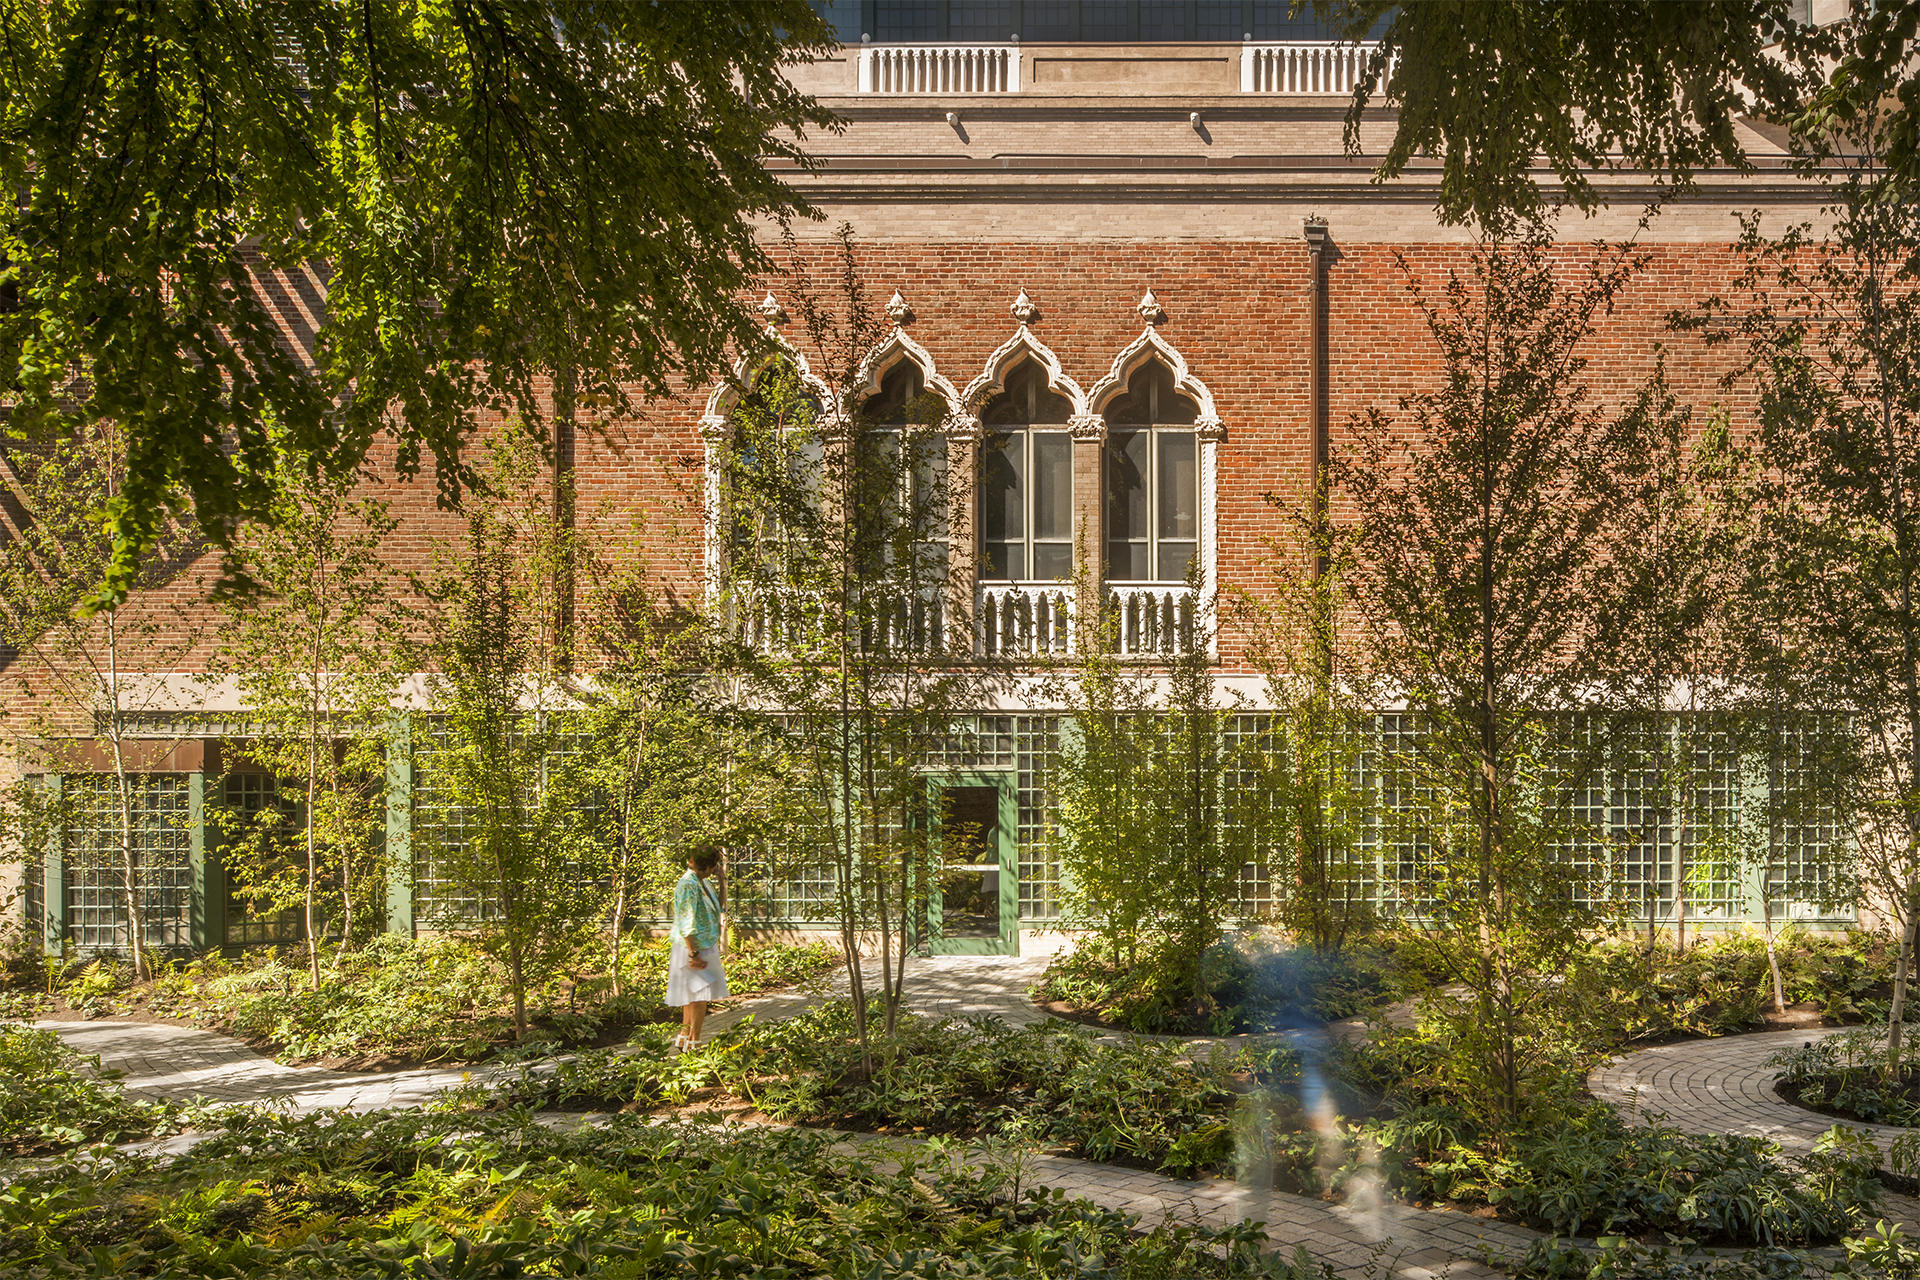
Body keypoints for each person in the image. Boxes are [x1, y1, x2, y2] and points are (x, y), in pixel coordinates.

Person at [667, 847, 728, 1051]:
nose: (715, 869)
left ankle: (684, 1039)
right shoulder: (688, 885)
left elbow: (719, 908)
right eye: (714, 866)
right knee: (699, 996)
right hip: (693, 947)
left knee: (692, 997)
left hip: (702, 944)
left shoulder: (703, 882)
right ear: (709, 866)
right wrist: (693, 953)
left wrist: (722, 881)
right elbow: (686, 921)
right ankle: (695, 1042)